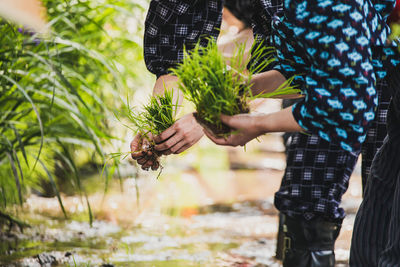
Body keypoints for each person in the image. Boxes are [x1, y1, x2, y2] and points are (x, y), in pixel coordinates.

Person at [132, 0, 398, 266]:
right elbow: (312, 74)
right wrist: (165, 122)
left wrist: (257, 123)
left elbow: (344, 101)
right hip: (363, 75)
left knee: (389, 235)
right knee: (370, 231)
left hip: (379, 80)